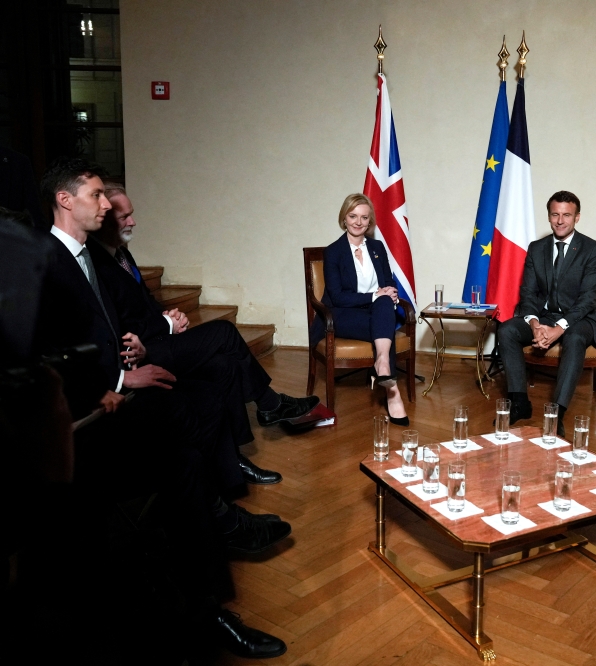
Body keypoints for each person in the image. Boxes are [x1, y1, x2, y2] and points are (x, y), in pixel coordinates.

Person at [33, 159, 290, 659]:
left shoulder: (87, 258)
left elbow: (106, 332)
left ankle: (207, 603)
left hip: (117, 402)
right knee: (182, 419)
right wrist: (120, 377)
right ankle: (220, 531)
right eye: (95, 195)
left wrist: (133, 349)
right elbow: (43, 353)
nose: (106, 205)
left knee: (186, 456)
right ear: (65, 200)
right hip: (82, 428)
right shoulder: (45, 261)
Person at [88, 182, 319, 485]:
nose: (132, 222)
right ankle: (270, 405)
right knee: (223, 331)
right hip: (140, 356)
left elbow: (144, 303)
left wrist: (168, 314)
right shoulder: (97, 264)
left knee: (225, 364)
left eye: (131, 214)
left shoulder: (121, 254)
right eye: (123, 217)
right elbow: (120, 328)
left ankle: (233, 459)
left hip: (158, 340)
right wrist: (166, 325)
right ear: (103, 218)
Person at [495, 190, 596, 437]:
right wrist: (534, 323)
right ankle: (520, 402)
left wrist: (560, 327)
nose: (560, 220)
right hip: (544, 317)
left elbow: (589, 299)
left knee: (575, 338)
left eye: (567, 215)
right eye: (555, 214)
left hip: (580, 319)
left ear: (577, 217)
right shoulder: (537, 248)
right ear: (548, 216)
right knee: (507, 329)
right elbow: (528, 292)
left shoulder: (592, 249)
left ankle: (557, 414)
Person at [311, 193, 408, 424]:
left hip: (376, 312)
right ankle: (393, 395)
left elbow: (387, 281)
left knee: (385, 303)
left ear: (370, 221)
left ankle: (382, 362)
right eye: (353, 216)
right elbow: (337, 297)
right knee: (383, 322)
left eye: (364, 217)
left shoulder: (377, 247)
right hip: (341, 315)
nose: (358, 222)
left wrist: (391, 291)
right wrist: (376, 295)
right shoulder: (333, 251)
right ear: (344, 218)